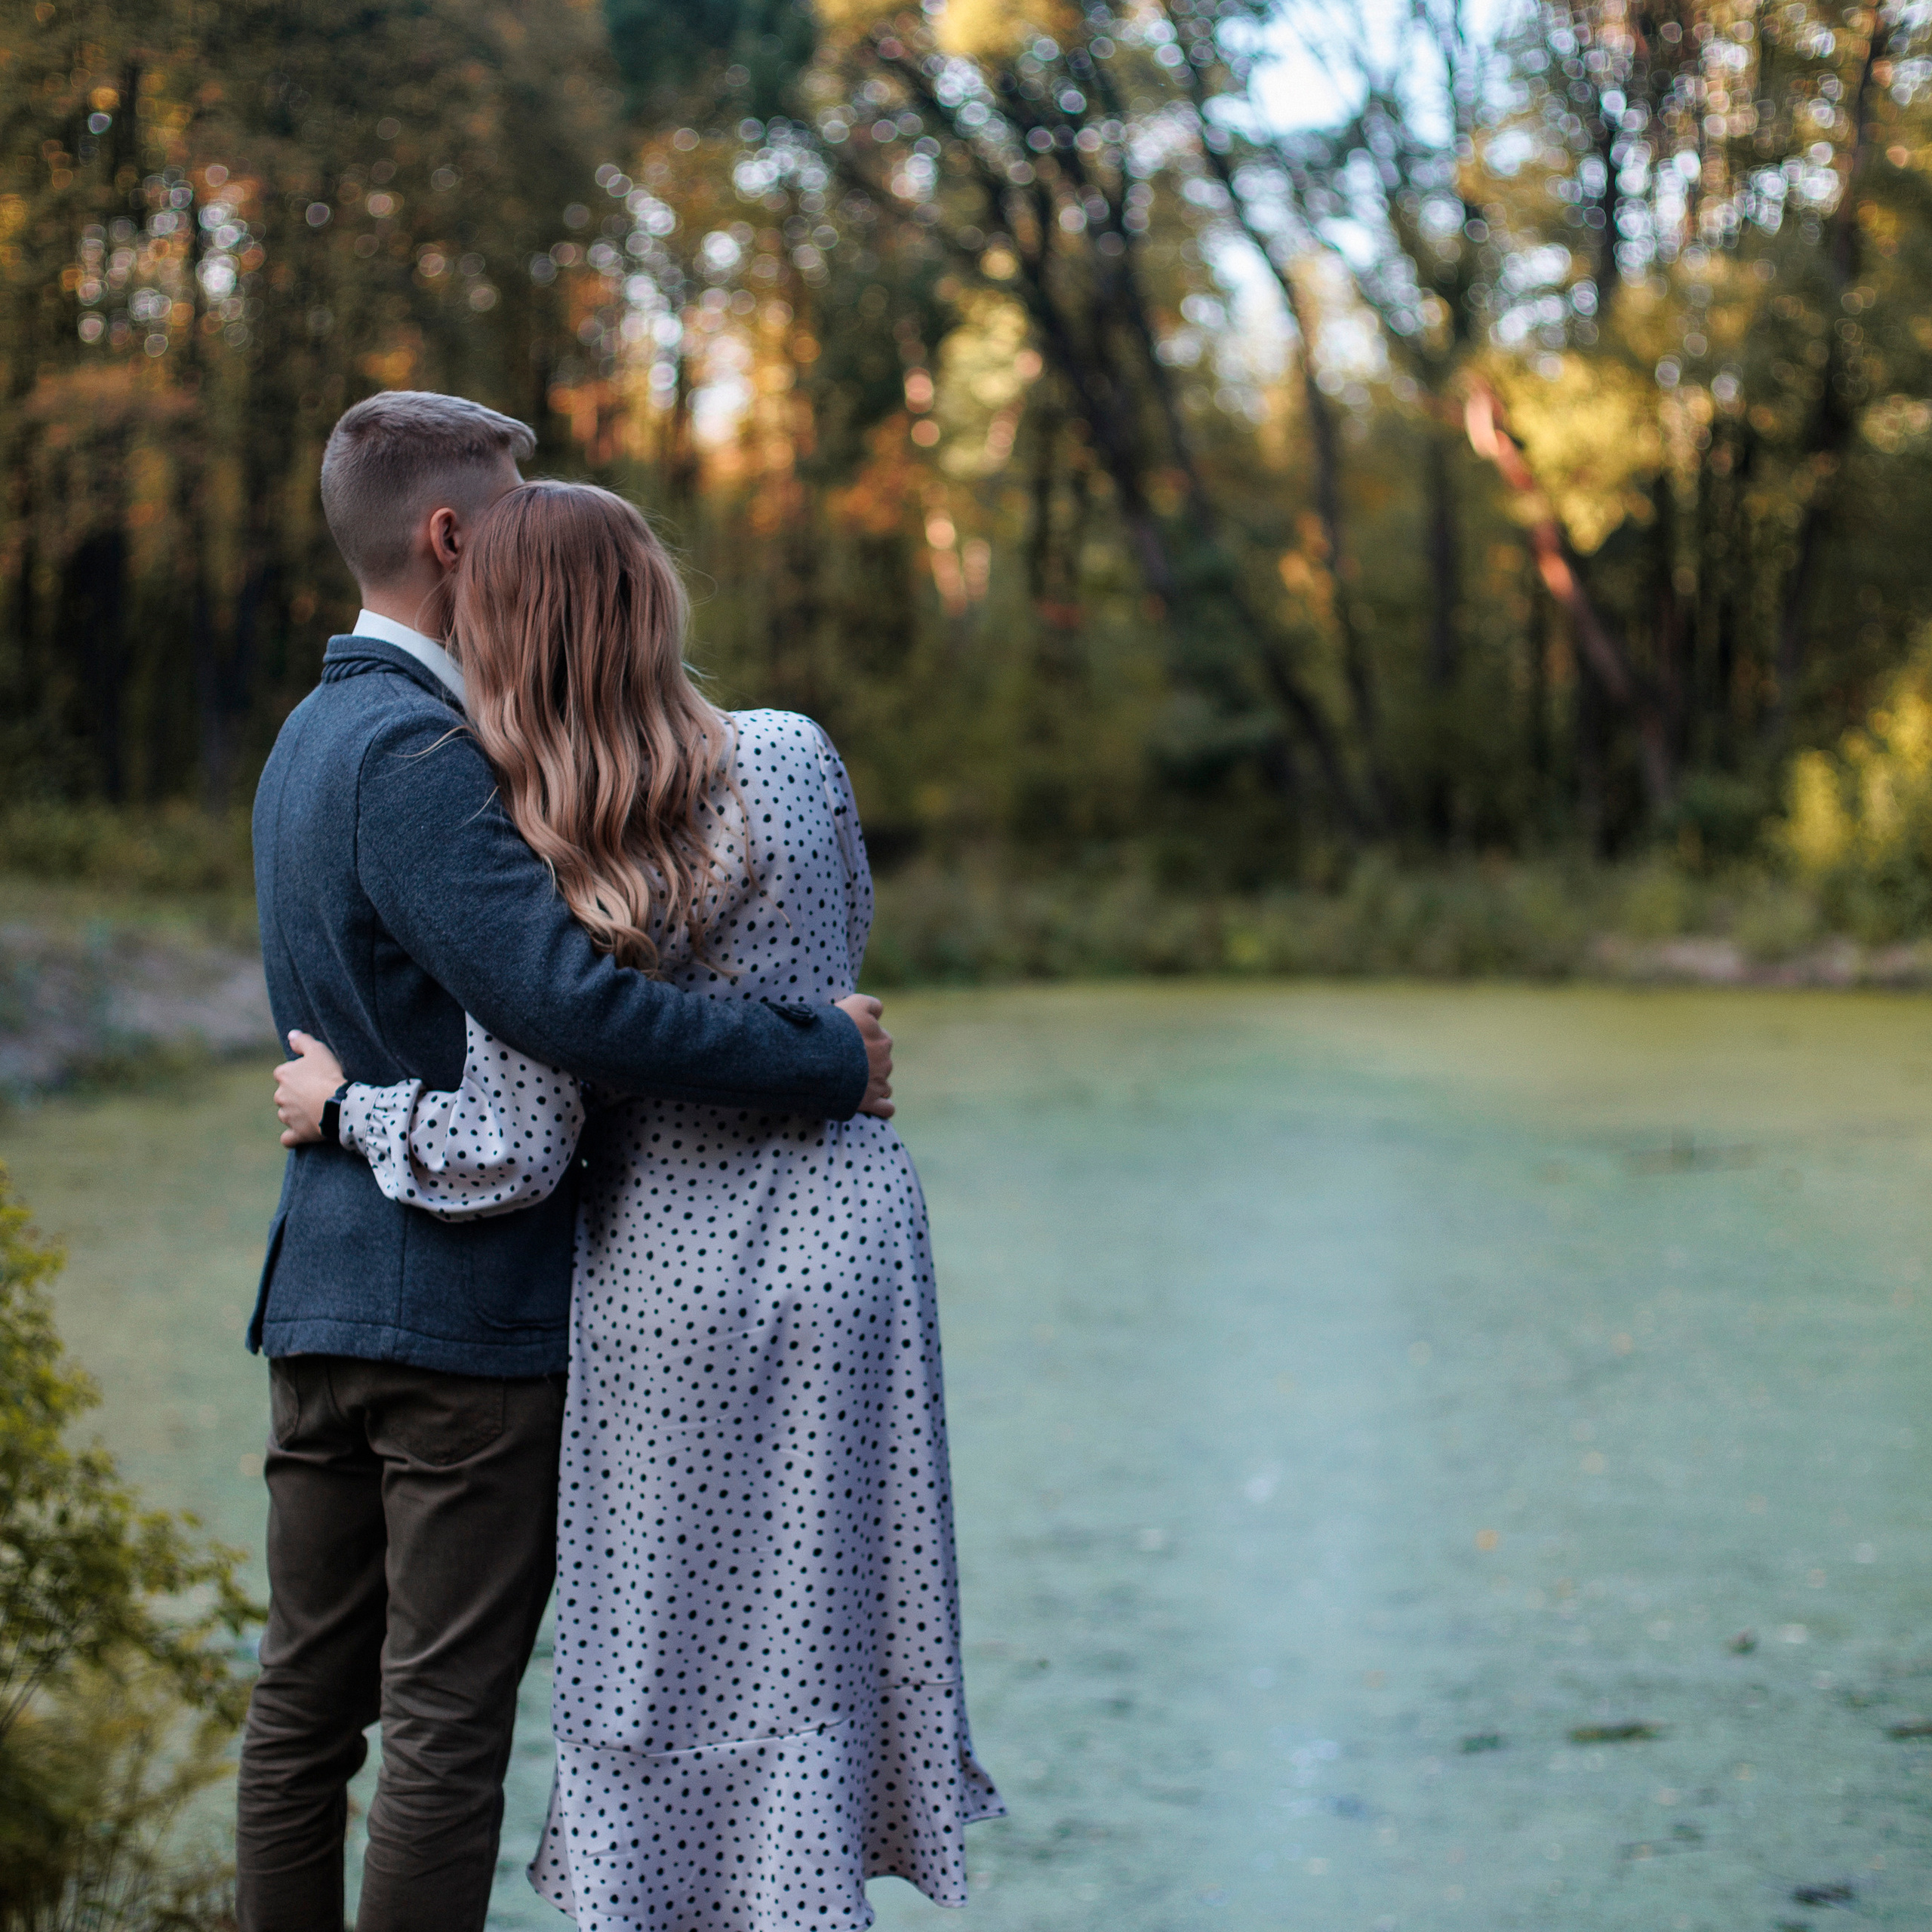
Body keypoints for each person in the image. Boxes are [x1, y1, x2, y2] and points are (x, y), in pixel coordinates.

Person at [272, 479, 1003, 1930]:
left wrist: (344, 1108)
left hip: (666, 1264)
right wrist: (825, 1054)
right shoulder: (793, 752)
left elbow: (518, 1149)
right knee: (815, 1639)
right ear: (653, 601)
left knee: (664, 1659)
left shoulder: (552, 842)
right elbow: (836, 938)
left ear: (507, 633)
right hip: (851, 1241)